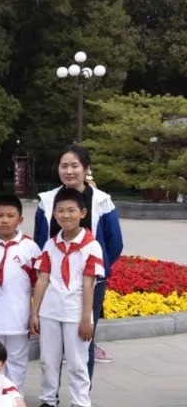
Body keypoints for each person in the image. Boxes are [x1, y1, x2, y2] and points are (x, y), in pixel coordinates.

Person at [33, 144, 123, 370]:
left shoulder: (101, 201)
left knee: (85, 338)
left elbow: (114, 242)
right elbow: (40, 240)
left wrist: (96, 269)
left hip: (89, 282)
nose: (69, 171)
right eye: (64, 166)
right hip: (52, 281)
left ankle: (82, 392)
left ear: (86, 168)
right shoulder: (47, 201)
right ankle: (50, 391)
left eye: (75, 165)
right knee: (52, 344)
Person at [31, 187, 104, 407]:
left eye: (71, 210)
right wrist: (35, 312)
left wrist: (86, 318)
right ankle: (48, 404)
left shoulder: (91, 246)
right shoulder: (51, 244)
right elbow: (42, 279)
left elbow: (88, 284)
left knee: (77, 362)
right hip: (50, 311)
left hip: (75, 313)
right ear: (54, 214)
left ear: (83, 213)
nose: (66, 215)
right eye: (60, 211)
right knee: (48, 360)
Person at [0, 194, 42, 388]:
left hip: (18, 317)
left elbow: (37, 284)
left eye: (10, 216)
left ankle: (13, 396)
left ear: (20, 219)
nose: (4, 220)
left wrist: (35, 314)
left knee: (16, 360)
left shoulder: (30, 248)